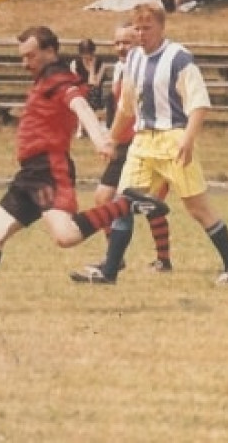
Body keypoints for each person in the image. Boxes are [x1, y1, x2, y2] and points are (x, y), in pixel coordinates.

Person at [0, 26, 169, 305]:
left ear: (50, 51)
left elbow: (79, 104)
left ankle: (126, 204)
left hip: (48, 170)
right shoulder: (44, 77)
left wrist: (99, 137)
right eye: (22, 57)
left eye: (31, 56)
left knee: (66, 236)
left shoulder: (58, 78)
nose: (25, 63)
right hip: (29, 174)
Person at [104, 2, 228, 286]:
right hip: (143, 140)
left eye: (147, 27)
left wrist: (188, 139)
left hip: (173, 138)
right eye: (138, 28)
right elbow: (126, 107)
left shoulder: (179, 57)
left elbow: (199, 104)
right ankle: (109, 272)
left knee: (198, 209)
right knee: (122, 203)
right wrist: (110, 138)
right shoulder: (132, 59)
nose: (142, 33)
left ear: (161, 27)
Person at [72, 23, 172, 284]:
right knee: (113, 199)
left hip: (143, 143)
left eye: (126, 42)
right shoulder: (122, 69)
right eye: (116, 43)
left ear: (138, 40)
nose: (120, 48)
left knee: (144, 202)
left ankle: (156, 259)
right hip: (125, 144)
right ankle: (117, 259)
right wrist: (110, 137)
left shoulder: (148, 69)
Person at [71, 38, 105, 138]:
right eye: (84, 53)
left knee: (92, 91)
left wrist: (92, 67)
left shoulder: (100, 64)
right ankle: (82, 128)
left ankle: (82, 128)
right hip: (79, 91)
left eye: (89, 53)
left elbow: (95, 83)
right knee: (84, 95)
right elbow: (75, 83)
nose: (86, 56)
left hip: (94, 93)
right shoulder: (75, 64)